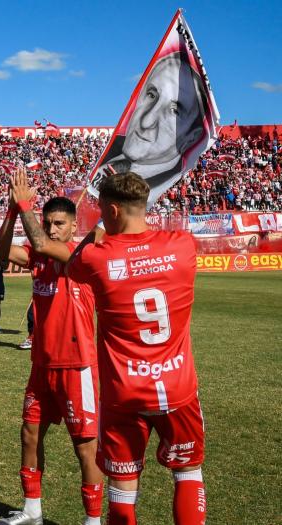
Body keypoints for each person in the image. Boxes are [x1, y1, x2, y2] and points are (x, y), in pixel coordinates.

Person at [67, 172, 206, 525]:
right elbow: (140, 221)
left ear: (111, 210)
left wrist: (100, 227)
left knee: (123, 490)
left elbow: (72, 266)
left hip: (124, 391)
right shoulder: (183, 244)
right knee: (187, 472)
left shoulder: (96, 259)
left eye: (101, 209)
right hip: (177, 387)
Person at [0, 167, 103, 525]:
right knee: (29, 433)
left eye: (59, 223)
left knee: (84, 446)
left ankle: (92, 519)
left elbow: (40, 243)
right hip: (42, 364)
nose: (53, 228)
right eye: (48, 222)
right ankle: (32, 511)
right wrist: (12, 211)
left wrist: (24, 202)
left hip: (77, 365)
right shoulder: (38, 256)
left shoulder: (80, 255)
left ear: (73, 227)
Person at [92, 51, 211, 207]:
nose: (146, 121)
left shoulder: (164, 185)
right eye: (151, 95)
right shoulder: (111, 151)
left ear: (191, 136)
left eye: (174, 111)